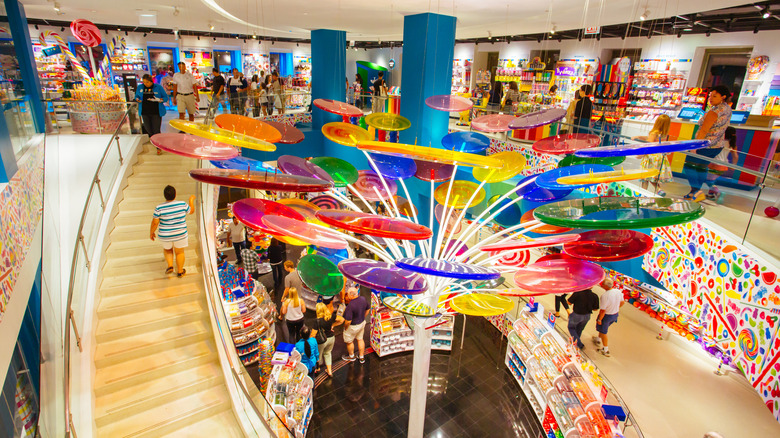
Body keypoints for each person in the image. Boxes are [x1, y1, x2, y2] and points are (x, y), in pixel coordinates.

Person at [682, 85, 733, 202]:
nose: (711, 98)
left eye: (715, 96)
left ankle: (695, 191)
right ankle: (695, 192)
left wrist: (695, 147)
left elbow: (704, 129)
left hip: (704, 145)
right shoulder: (727, 109)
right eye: (710, 96)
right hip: (717, 145)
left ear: (723, 97)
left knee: (689, 166)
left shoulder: (715, 111)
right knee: (701, 167)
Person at [149, 185, 195, 277]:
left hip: (165, 234)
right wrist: (191, 200)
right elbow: (191, 211)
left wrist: (151, 232)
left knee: (168, 250)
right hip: (180, 234)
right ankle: (180, 271)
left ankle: (170, 266)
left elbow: (155, 222)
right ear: (175, 194)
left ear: (164, 195)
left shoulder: (159, 208)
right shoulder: (182, 204)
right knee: (180, 252)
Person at [634, 114, 673, 196]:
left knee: (645, 176)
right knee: (652, 176)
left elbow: (649, 145)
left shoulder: (654, 132)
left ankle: (643, 193)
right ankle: (658, 189)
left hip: (651, 157)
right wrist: (640, 137)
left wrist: (641, 154)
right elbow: (652, 140)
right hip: (659, 157)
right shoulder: (664, 134)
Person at [135, 74, 169, 155]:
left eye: (147, 82)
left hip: (156, 112)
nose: (145, 84)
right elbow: (136, 96)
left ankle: (159, 147)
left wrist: (159, 99)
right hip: (145, 112)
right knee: (149, 129)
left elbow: (165, 98)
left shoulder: (158, 87)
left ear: (151, 81)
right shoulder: (140, 87)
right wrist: (137, 99)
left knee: (156, 130)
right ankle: (154, 142)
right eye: (144, 82)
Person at [706, 126, 739, 204]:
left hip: (714, 164)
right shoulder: (732, 144)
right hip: (723, 166)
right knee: (711, 180)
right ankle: (711, 195)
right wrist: (733, 165)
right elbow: (735, 156)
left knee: (708, 180)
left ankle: (718, 192)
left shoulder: (719, 142)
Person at [592, 278, 624, 357]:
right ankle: (598, 339)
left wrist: (600, 319)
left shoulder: (605, 296)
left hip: (606, 316)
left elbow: (602, 310)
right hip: (615, 314)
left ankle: (605, 350)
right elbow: (622, 302)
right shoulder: (618, 291)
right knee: (602, 328)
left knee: (604, 332)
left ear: (605, 286)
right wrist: (615, 308)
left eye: (602, 284)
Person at [342, 287, 370, 363]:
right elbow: (368, 309)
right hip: (361, 323)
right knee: (360, 339)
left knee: (349, 342)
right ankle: (361, 357)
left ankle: (351, 356)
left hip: (352, 326)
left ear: (351, 295)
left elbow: (348, 321)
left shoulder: (350, 306)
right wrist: (363, 317)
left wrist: (345, 327)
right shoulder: (363, 299)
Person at [314, 301, 340, 377]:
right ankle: (329, 371)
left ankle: (317, 368)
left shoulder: (317, 321)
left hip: (321, 341)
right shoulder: (331, 316)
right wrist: (333, 325)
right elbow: (341, 320)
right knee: (328, 353)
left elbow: (313, 334)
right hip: (331, 338)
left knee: (318, 355)